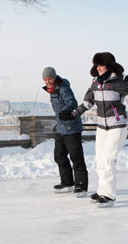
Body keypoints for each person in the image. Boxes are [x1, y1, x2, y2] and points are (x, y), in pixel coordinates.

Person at [59, 52, 128, 207]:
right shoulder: (95, 84)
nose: (98, 68)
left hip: (117, 126)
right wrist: (72, 114)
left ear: (109, 66)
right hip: (102, 127)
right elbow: (87, 103)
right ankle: (102, 190)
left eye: (101, 65)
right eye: (96, 65)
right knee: (100, 160)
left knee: (108, 159)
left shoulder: (118, 82)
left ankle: (109, 195)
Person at [42, 66, 88, 197]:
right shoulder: (52, 90)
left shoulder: (63, 88)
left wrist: (64, 112)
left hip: (72, 127)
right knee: (59, 156)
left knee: (76, 157)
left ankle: (81, 185)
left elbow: (72, 102)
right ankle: (67, 182)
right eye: (45, 79)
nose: (48, 81)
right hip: (61, 128)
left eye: (49, 78)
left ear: (54, 77)